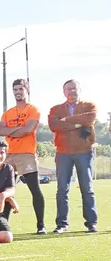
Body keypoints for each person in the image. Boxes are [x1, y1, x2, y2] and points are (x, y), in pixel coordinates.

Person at [0, 79, 45, 234]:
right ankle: (3, 226)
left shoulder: (33, 109)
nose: (18, 92)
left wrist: (10, 130)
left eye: (20, 89)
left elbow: (28, 129)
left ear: (27, 90)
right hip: (9, 154)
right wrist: (19, 129)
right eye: (15, 89)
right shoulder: (8, 113)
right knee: (7, 190)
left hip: (26, 154)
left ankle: (41, 225)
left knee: (34, 189)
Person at [48, 79, 98, 233]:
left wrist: (67, 121)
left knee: (87, 188)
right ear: (64, 92)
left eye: (74, 88)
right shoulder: (55, 109)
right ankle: (62, 224)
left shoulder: (89, 106)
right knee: (62, 189)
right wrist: (78, 124)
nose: (71, 91)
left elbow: (89, 119)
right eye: (68, 89)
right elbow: (54, 125)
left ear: (79, 90)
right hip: (63, 152)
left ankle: (91, 223)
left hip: (84, 152)